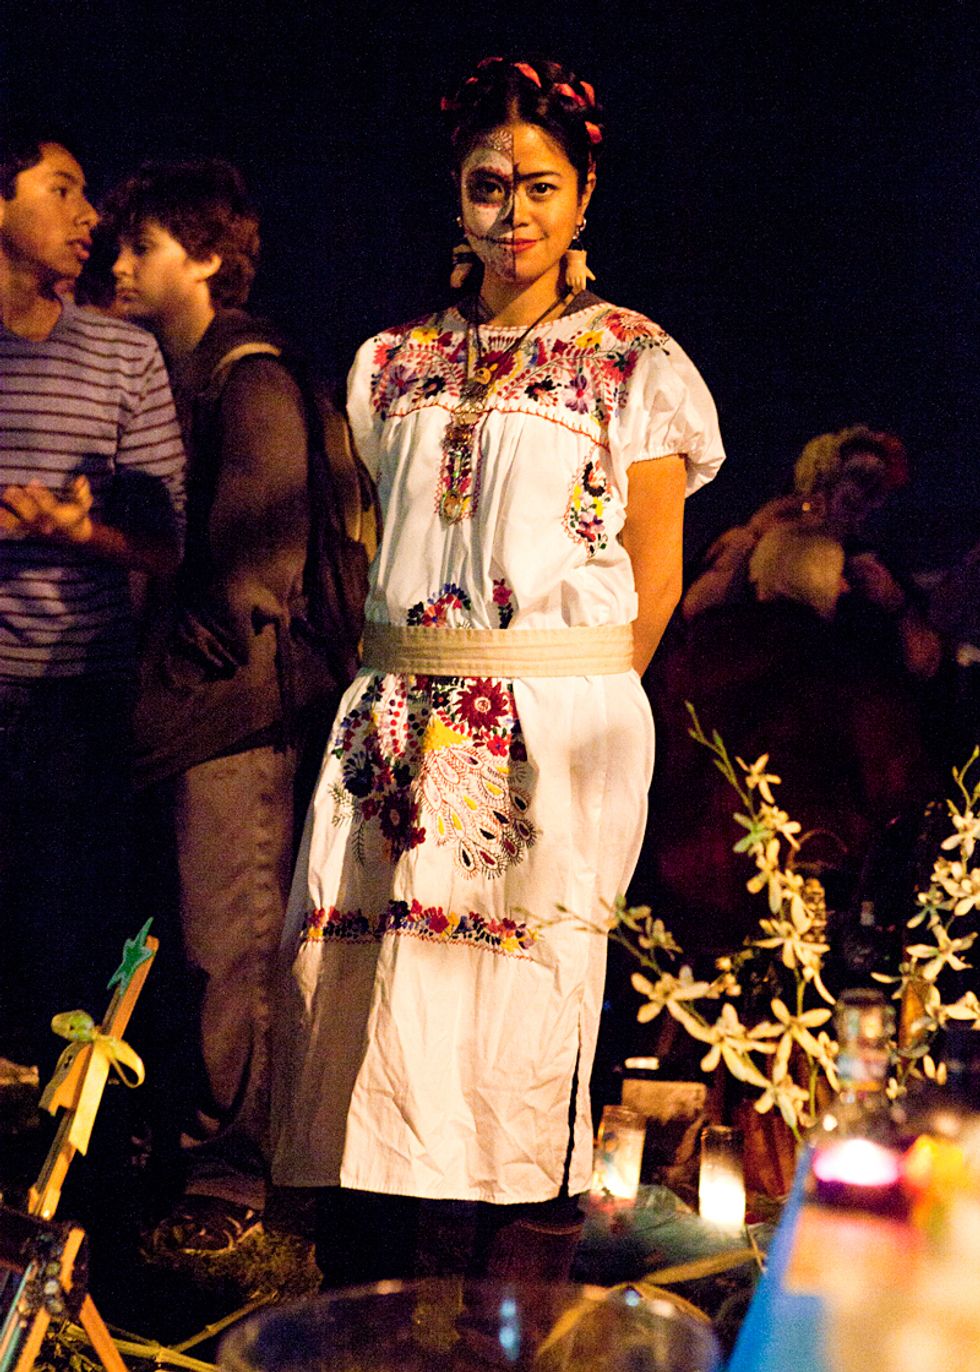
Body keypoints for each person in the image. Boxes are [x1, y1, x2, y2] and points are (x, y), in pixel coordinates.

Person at [270, 56, 725, 1286]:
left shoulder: (634, 361)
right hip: (396, 721)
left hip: (555, 727)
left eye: (539, 187)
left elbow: (654, 578)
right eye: (487, 185)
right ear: (455, 196)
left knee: (524, 1009)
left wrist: (566, 712)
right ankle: (367, 1303)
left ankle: (504, 1312)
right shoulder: (389, 363)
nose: (511, 213)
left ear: (583, 197)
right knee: (377, 1003)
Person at [107, 160, 345, 1253]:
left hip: (237, 713)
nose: (120, 264)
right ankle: (191, 1148)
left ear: (205, 257)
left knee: (231, 941)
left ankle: (235, 1175)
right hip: (198, 710)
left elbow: (256, 564)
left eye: (144, 245)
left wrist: (180, 669)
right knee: (193, 937)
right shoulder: (186, 375)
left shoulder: (246, 376)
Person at [0, 126, 185, 1076]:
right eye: (62, 190)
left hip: (80, 703)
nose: (89, 215)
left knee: (67, 955)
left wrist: (80, 534)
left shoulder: (122, 355)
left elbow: (167, 545)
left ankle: (64, 1157)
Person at [682, 424, 941, 680]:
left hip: (835, 692)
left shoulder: (877, 568)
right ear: (823, 478)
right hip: (750, 683)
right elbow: (693, 613)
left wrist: (896, 603)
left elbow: (926, 665)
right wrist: (752, 535)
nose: (866, 492)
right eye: (857, 476)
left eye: (876, 486)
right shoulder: (762, 535)